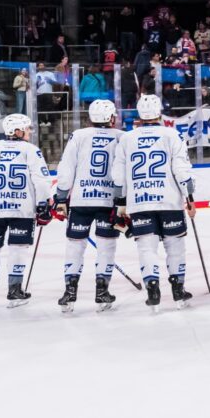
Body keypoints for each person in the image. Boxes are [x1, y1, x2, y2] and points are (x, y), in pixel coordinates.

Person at [111, 94, 196, 312]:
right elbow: (181, 169)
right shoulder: (172, 134)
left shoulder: (127, 138)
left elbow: (118, 175)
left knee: (146, 248)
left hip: (139, 202)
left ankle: (153, 291)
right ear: (159, 112)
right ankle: (178, 290)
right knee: (175, 246)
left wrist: (121, 202)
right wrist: (189, 197)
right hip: (169, 201)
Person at [0, 113, 53, 307]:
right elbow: (41, 181)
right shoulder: (31, 150)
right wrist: (43, 205)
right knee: (18, 248)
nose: (30, 132)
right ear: (17, 131)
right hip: (22, 210)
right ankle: (14, 291)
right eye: (27, 128)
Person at [51, 99, 123, 313]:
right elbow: (123, 171)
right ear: (111, 117)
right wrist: (124, 200)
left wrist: (61, 197)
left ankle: (69, 292)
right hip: (109, 201)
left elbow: (66, 168)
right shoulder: (122, 136)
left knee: (75, 246)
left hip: (81, 200)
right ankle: (102, 292)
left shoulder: (79, 135)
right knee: (106, 247)